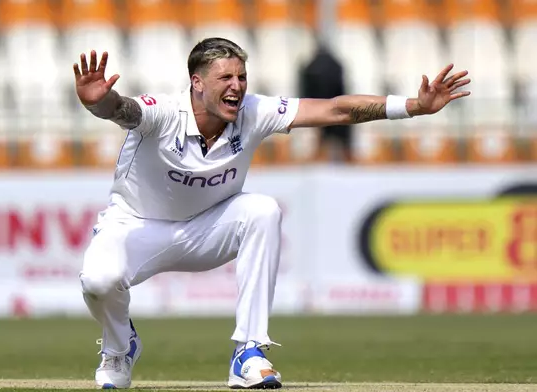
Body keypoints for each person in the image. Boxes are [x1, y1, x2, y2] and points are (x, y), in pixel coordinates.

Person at [73, 37, 470, 390]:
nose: (238, 87)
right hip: (136, 227)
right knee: (98, 281)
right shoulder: (162, 112)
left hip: (209, 229)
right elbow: (123, 110)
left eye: (242, 77)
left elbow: (335, 110)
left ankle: (248, 351)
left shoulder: (255, 110)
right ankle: (120, 348)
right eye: (226, 78)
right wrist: (99, 102)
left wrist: (414, 106)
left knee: (262, 210)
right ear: (196, 82)